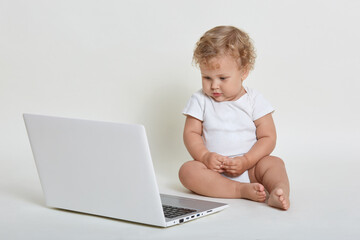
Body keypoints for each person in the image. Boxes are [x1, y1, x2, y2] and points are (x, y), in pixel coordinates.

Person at [178, 26, 290, 210]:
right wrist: (205, 157)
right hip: (213, 171)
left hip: (251, 167)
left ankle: (279, 191)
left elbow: (268, 137)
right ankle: (239, 190)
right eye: (206, 77)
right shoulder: (200, 100)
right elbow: (191, 133)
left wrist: (246, 161)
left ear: (243, 72)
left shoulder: (254, 100)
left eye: (222, 78)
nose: (214, 85)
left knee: (274, 163)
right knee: (187, 171)